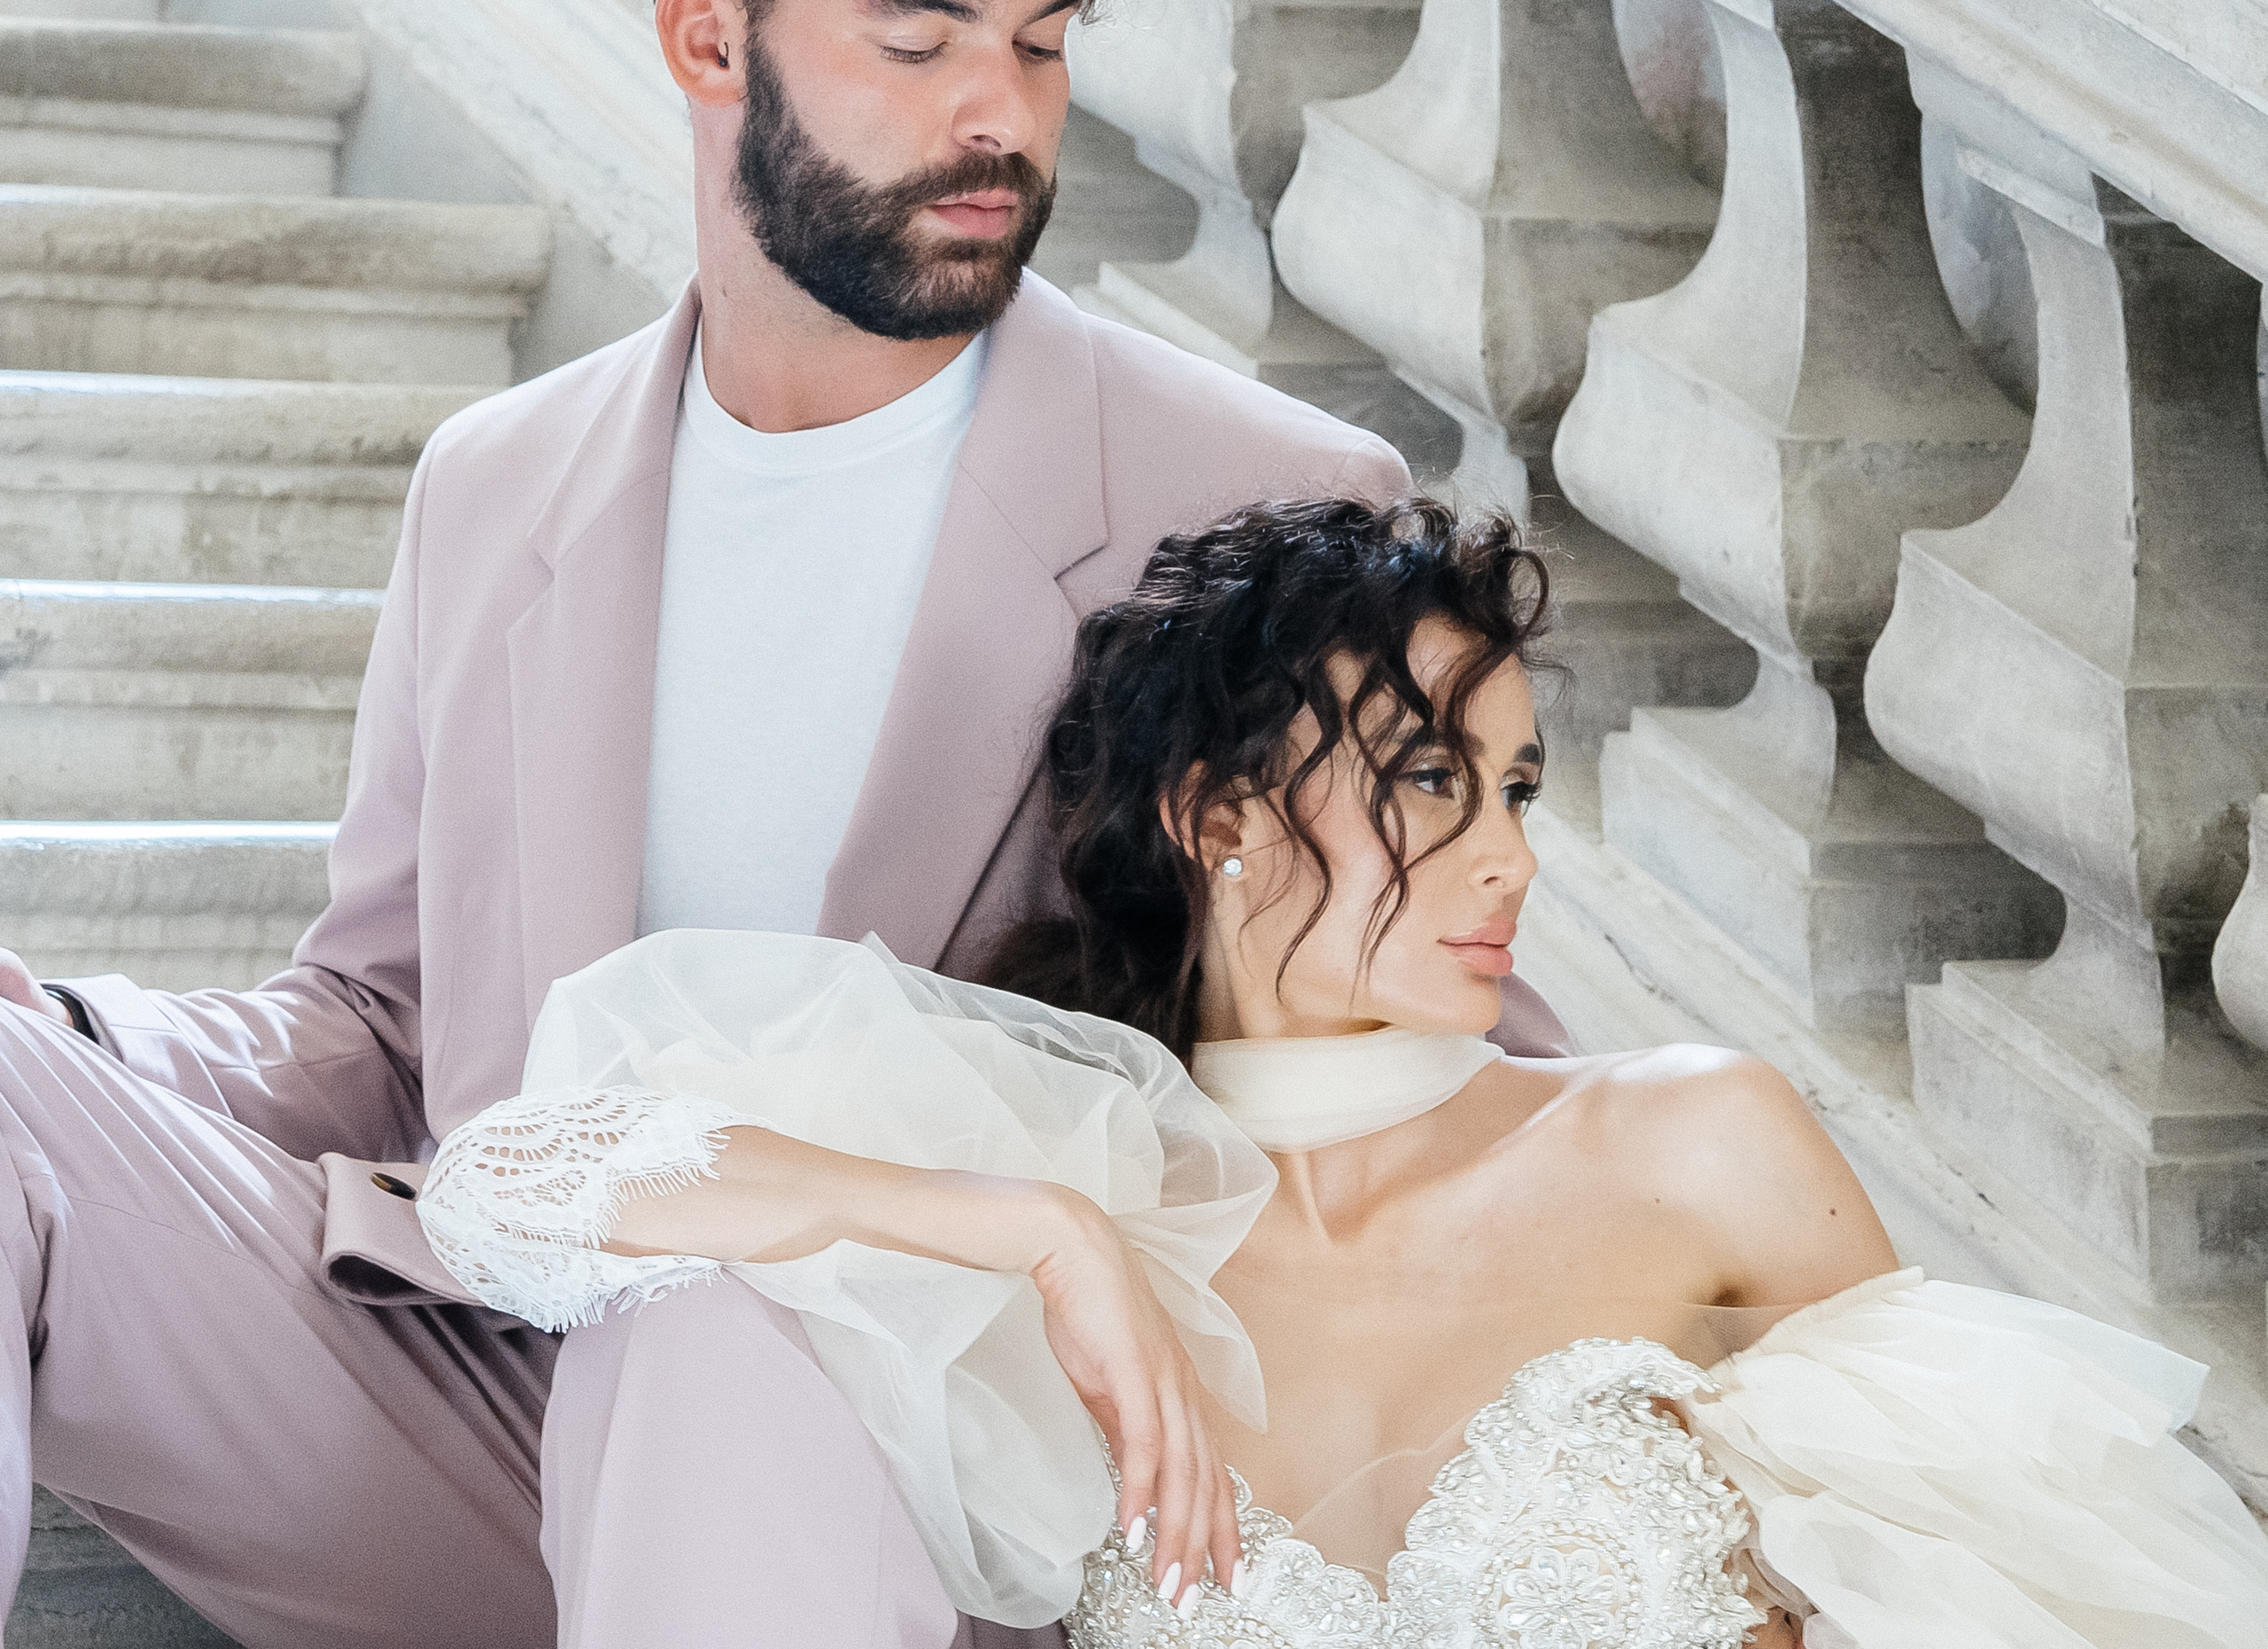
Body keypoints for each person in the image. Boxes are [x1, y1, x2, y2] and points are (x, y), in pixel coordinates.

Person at [0, 4, 1566, 1647]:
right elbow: (385, 1019)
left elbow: (1475, 1071)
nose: (1001, 112)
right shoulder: (495, 482)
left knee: (721, 1324)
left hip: (970, 1486)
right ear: (704, 45)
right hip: (494, 1388)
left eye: (1042, 43)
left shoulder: (1264, 502)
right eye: (917, 41)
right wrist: (99, 1034)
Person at [421, 496, 2268, 1646]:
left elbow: (2025, 1594)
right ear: (1215, 812)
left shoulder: (1687, 1140)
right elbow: (503, 1189)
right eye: (1428, 783)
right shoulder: (1082, 1183)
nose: (1505, 858)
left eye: (1518, 790)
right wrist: (1044, 1229)